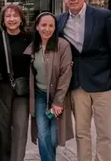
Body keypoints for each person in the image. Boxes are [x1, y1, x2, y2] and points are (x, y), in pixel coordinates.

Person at [57, 0, 111, 161]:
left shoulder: (103, 16)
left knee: (105, 133)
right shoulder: (59, 21)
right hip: (78, 84)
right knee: (82, 132)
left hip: (104, 82)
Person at [25, 12, 74, 161]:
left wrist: (58, 101)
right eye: (43, 25)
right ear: (37, 27)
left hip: (56, 96)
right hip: (39, 95)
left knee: (53, 137)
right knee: (42, 133)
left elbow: (66, 74)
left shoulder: (63, 45)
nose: (47, 29)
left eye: (51, 25)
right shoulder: (32, 47)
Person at [0, 4, 31, 161]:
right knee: (3, 129)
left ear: (21, 19)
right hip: (1, 89)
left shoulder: (30, 37)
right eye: (8, 16)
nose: (11, 19)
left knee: (20, 127)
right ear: (3, 19)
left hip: (22, 90)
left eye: (15, 15)